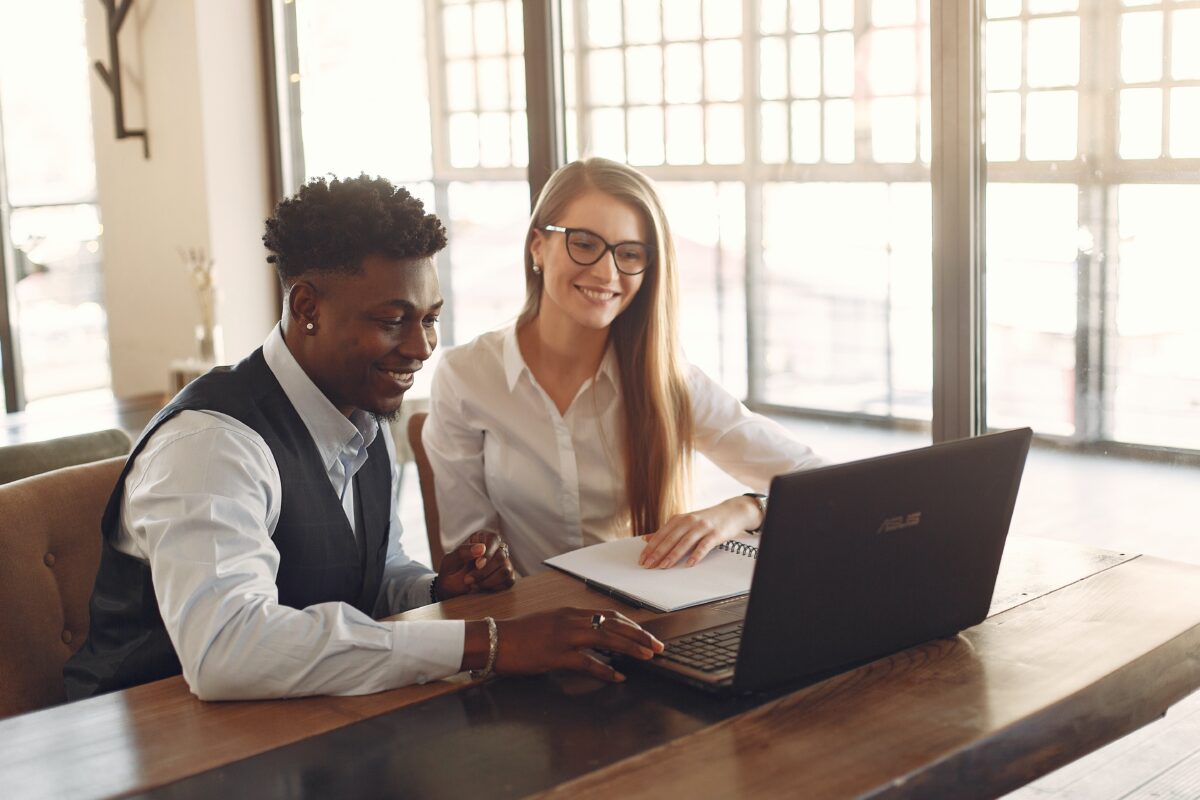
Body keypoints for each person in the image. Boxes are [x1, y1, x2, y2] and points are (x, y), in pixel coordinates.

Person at [64, 175, 661, 701]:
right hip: (147, 749)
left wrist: (430, 588)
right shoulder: (211, 446)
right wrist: (489, 641)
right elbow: (227, 649)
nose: (422, 347)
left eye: (428, 318)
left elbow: (364, 576)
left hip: (292, 727)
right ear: (307, 308)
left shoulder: (360, 413)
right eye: (392, 319)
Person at [423, 158, 823, 578]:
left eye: (629, 253)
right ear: (538, 246)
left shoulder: (669, 381)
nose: (606, 272)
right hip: (530, 628)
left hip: (648, 623)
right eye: (584, 243)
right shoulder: (465, 377)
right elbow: (468, 557)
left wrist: (745, 508)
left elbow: (822, 483)